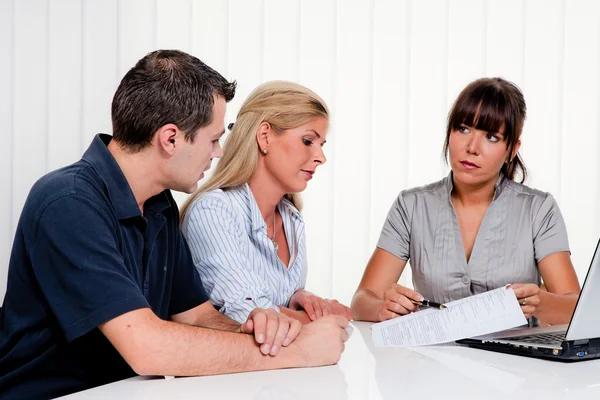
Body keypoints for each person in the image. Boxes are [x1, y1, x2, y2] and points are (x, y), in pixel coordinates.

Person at [0, 50, 349, 399]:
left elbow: (197, 318)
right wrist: (297, 352)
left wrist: (255, 328)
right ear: (170, 139)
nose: (218, 153)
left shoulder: (159, 206)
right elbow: (146, 346)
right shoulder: (68, 202)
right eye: (213, 140)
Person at [351, 77, 581, 325]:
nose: (472, 147)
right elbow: (363, 300)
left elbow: (574, 306)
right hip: (429, 358)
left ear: (512, 150)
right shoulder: (411, 206)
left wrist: (540, 302)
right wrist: (383, 308)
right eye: (463, 128)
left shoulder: (538, 209)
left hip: (513, 361)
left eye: (491, 136)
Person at [180, 81, 352, 324]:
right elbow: (244, 313)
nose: (320, 158)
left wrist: (299, 298)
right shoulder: (213, 211)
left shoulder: (291, 218)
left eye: (321, 145)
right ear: (264, 136)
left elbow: (270, 304)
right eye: (307, 141)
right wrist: (321, 319)